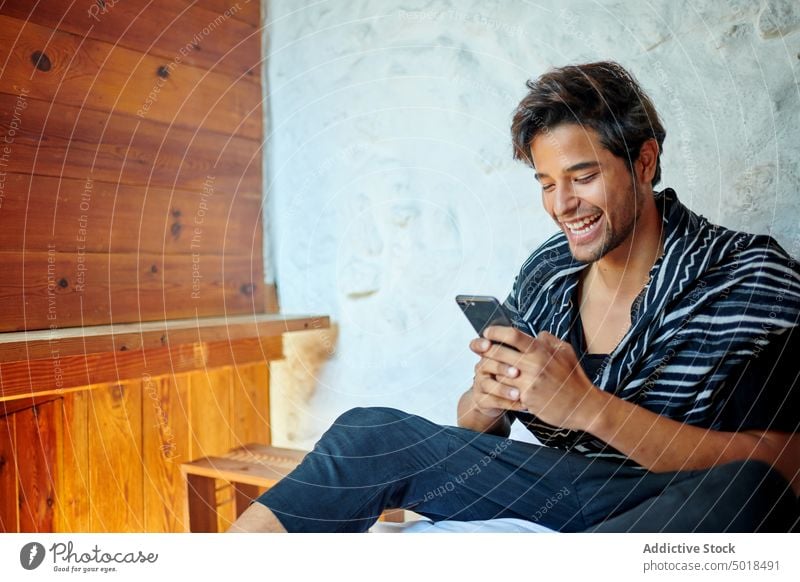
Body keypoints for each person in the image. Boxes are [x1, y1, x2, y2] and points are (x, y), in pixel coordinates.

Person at [230, 61, 800, 533]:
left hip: (676, 498)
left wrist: (589, 409)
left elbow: (787, 466)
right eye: (547, 184)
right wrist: (484, 404)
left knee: (748, 491)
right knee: (370, 432)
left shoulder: (746, 278)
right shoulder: (548, 272)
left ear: (643, 161)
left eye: (582, 176)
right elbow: (478, 433)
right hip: (563, 487)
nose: (562, 204)